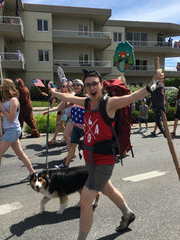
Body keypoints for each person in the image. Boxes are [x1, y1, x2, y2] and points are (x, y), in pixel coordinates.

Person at [49, 70, 162, 240]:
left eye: (95, 83)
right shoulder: (87, 102)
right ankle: (127, 213)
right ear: (85, 88)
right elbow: (70, 98)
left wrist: (151, 86)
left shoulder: (109, 103)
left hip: (103, 162)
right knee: (108, 189)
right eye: (88, 84)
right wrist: (54, 93)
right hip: (90, 159)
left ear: (101, 85)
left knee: (86, 201)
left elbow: (132, 97)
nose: (92, 87)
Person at [0, 78, 35, 191]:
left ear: (6, 88)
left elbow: (11, 118)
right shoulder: (9, 100)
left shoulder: (14, 100)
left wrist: (1, 108)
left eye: (1, 87)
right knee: (20, 154)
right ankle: (32, 174)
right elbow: (7, 115)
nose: (0, 89)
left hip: (12, 130)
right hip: (11, 130)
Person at [56, 79, 87, 168]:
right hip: (75, 124)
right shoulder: (74, 97)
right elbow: (63, 106)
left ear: (82, 87)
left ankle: (91, 166)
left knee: (87, 148)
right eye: (74, 85)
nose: (76, 86)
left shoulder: (86, 96)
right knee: (72, 144)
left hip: (84, 127)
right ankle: (66, 165)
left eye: (78, 84)